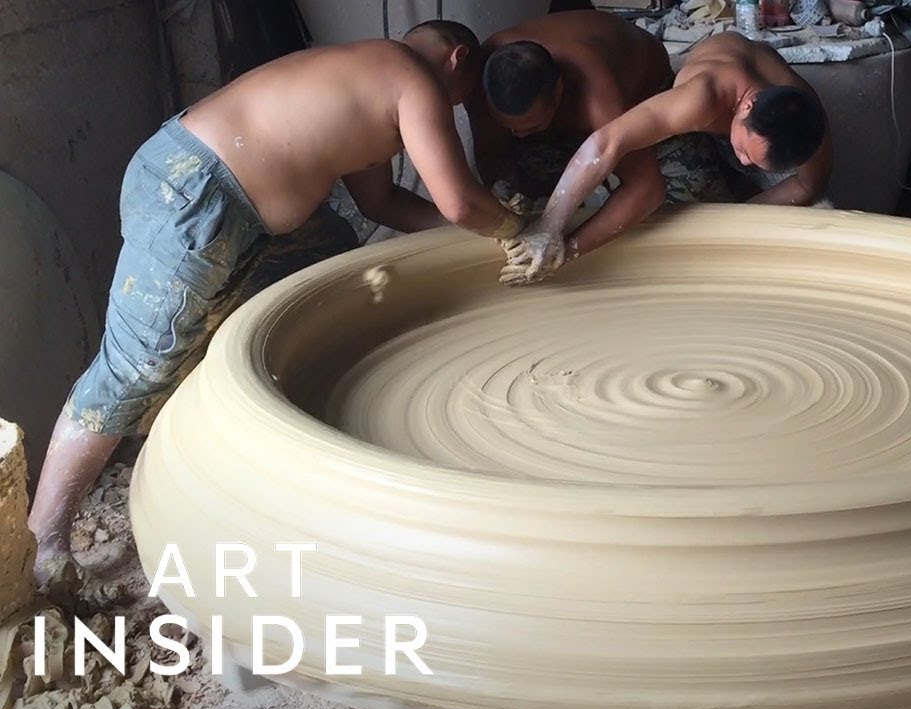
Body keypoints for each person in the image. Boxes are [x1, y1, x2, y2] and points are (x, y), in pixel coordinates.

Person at [27, 20, 525, 587]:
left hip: (237, 206)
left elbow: (383, 202)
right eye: (466, 93)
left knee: (329, 258)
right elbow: (459, 200)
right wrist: (516, 228)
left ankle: (243, 433)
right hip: (195, 191)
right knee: (135, 365)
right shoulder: (415, 79)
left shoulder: (368, 78)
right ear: (458, 59)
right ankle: (45, 541)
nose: (460, 106)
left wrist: (474, 234)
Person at [498, 31, 831, 286]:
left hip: (752, 113)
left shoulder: (809, 124)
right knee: (674, 203)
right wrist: (550, 225)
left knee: (820, 214)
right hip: (691, 101)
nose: (744, 161)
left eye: (754, 161)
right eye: (744, 151)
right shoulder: (699, 98)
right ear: (748, 105)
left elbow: (807, 186)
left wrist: (737, 220)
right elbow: (606, 143)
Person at [465, 9, 679, 263]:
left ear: (558, 92)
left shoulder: (593, 87)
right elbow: (493, 155)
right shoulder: (485, 74)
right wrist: (506, 197)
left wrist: (566, 249)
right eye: (509, 127)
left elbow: (647, 187)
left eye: (529, 126)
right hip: (563, 112)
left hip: (643, 92)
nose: (518, 136)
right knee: (529, 188)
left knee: (682, 202)